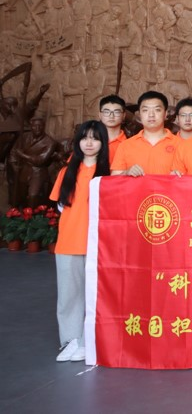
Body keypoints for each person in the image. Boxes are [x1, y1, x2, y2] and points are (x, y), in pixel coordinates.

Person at [50, 120, 111, 363]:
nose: (89, 143)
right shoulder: (67, 171)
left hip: (98, 246)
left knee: (96, 295)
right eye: (85, 138)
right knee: (68, 296)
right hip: (68, 243)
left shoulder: (109, 174)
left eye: (95, 138)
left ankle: (89, 341)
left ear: (103, 143)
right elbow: (60, 206)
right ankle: (70, 340)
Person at [111, 91, 179, 176]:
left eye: (157, 110)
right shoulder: (125, 146)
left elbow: (191, 178)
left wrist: (180, 176)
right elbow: (114, 179)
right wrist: (126, 173)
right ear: (139, 114)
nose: (151, 115)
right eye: (145, 110)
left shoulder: (180, 144)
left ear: (165, 114)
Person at [8, 115, 60, 207]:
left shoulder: (50, 142)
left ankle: (33, 214)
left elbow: (40, 160)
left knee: (33, 196)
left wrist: (22, 155)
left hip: (38, 172)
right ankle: (21, 213)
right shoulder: (24, 136)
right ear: (31, 126)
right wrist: (13, 164)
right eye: (34, 126)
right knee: (21, 196)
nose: (37, 128)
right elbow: (14, 151)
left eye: (40, 126)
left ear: (44, 126)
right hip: (24, 170)